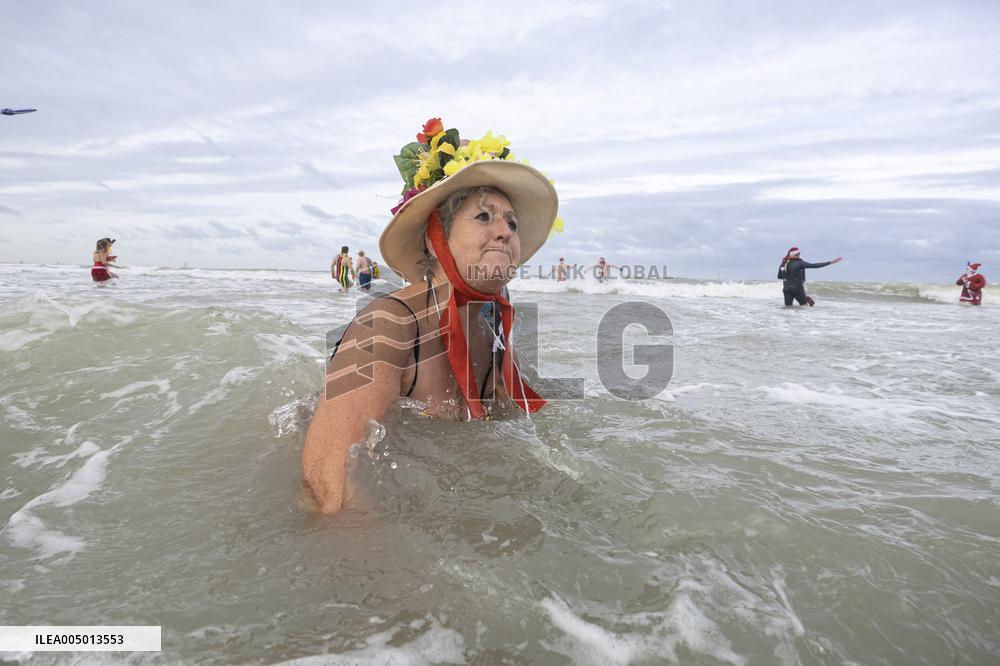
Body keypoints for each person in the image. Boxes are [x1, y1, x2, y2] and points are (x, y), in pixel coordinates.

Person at [302, 118, 557, 515]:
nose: (505, 232)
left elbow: (524, 426)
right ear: (434, 239)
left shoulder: (493, 325)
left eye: (512, 222)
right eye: (484, 217)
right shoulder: (387, 324)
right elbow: (327, 487)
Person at [777, 247, 842, 307]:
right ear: (798, 254)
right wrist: (830, 262)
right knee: (804, 307)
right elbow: (813, 265)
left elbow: (780, 276)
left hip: (786, 289)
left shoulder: (783, 263)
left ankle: (804, 299)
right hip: (797, 289)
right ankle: (806, 299)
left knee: (788, 308)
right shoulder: (800, 263)